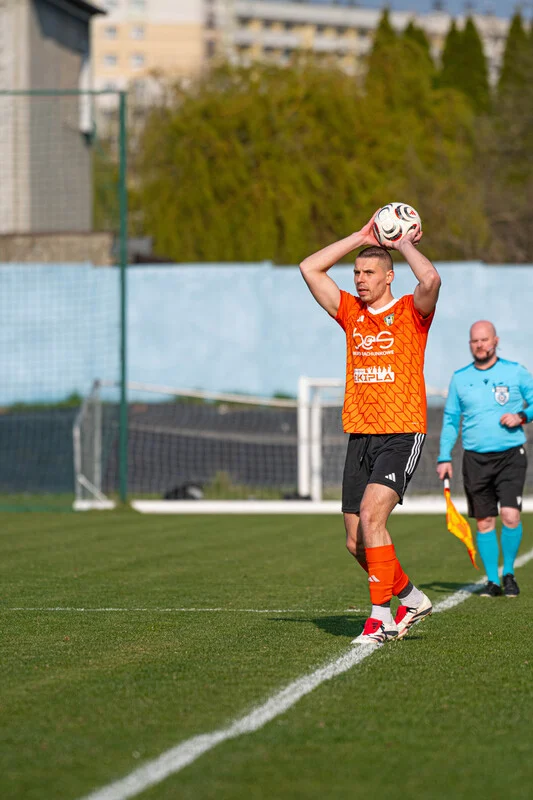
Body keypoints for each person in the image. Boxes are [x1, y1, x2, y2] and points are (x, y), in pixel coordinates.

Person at [299, 211, 441, 645]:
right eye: (357, 272)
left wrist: (402, 243)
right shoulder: (350, 313)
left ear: (389, 277)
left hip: (401, 430)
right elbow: (309, 268)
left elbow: (431, 281)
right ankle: (411, 598)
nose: (360, 279)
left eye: (369, 272)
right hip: (360, 431)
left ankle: (379, 618)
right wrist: (360, 236)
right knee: (355, 541)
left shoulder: (411, 313)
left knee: (372, 516)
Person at [436, 321, 533, 597]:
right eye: (474, 341)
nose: (479, 345)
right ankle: (492, 581)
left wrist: (522, 416)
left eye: (484, 340)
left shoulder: (515, 372)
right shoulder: (460, 378)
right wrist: (444, 456)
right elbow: (452, 419)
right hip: (475, 460)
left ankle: (510, 574)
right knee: (484, 522)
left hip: (511, 455)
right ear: (470, 344)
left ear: (495, 341)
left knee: (511, 516)